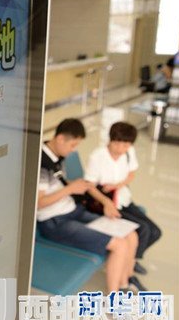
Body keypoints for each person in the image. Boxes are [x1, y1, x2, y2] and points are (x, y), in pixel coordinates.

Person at [37, 118, 140, 293]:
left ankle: (124, 285)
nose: (73, 150)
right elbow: (39, 203)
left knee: (131, 235)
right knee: (120, 244)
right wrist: (70, 189)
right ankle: (114, 298)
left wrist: (72, 185)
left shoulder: (55, 154)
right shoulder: (41, 163)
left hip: (72, 210)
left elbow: (55, 186)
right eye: (73, 145)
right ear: (60, 139)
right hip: (55, 221)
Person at [85, 122, 161, 287]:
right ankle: (129, 272)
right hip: (107, 204)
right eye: (117, 143)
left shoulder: (129, 152)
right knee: (143, 229)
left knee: (155, 232)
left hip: (124, 199)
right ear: (110, 139)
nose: (120, 149)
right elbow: (89, 186)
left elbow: (131, 173)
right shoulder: (97, 156)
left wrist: (117, 185)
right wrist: (106, 200)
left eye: (125, 145)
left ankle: (130, 260)